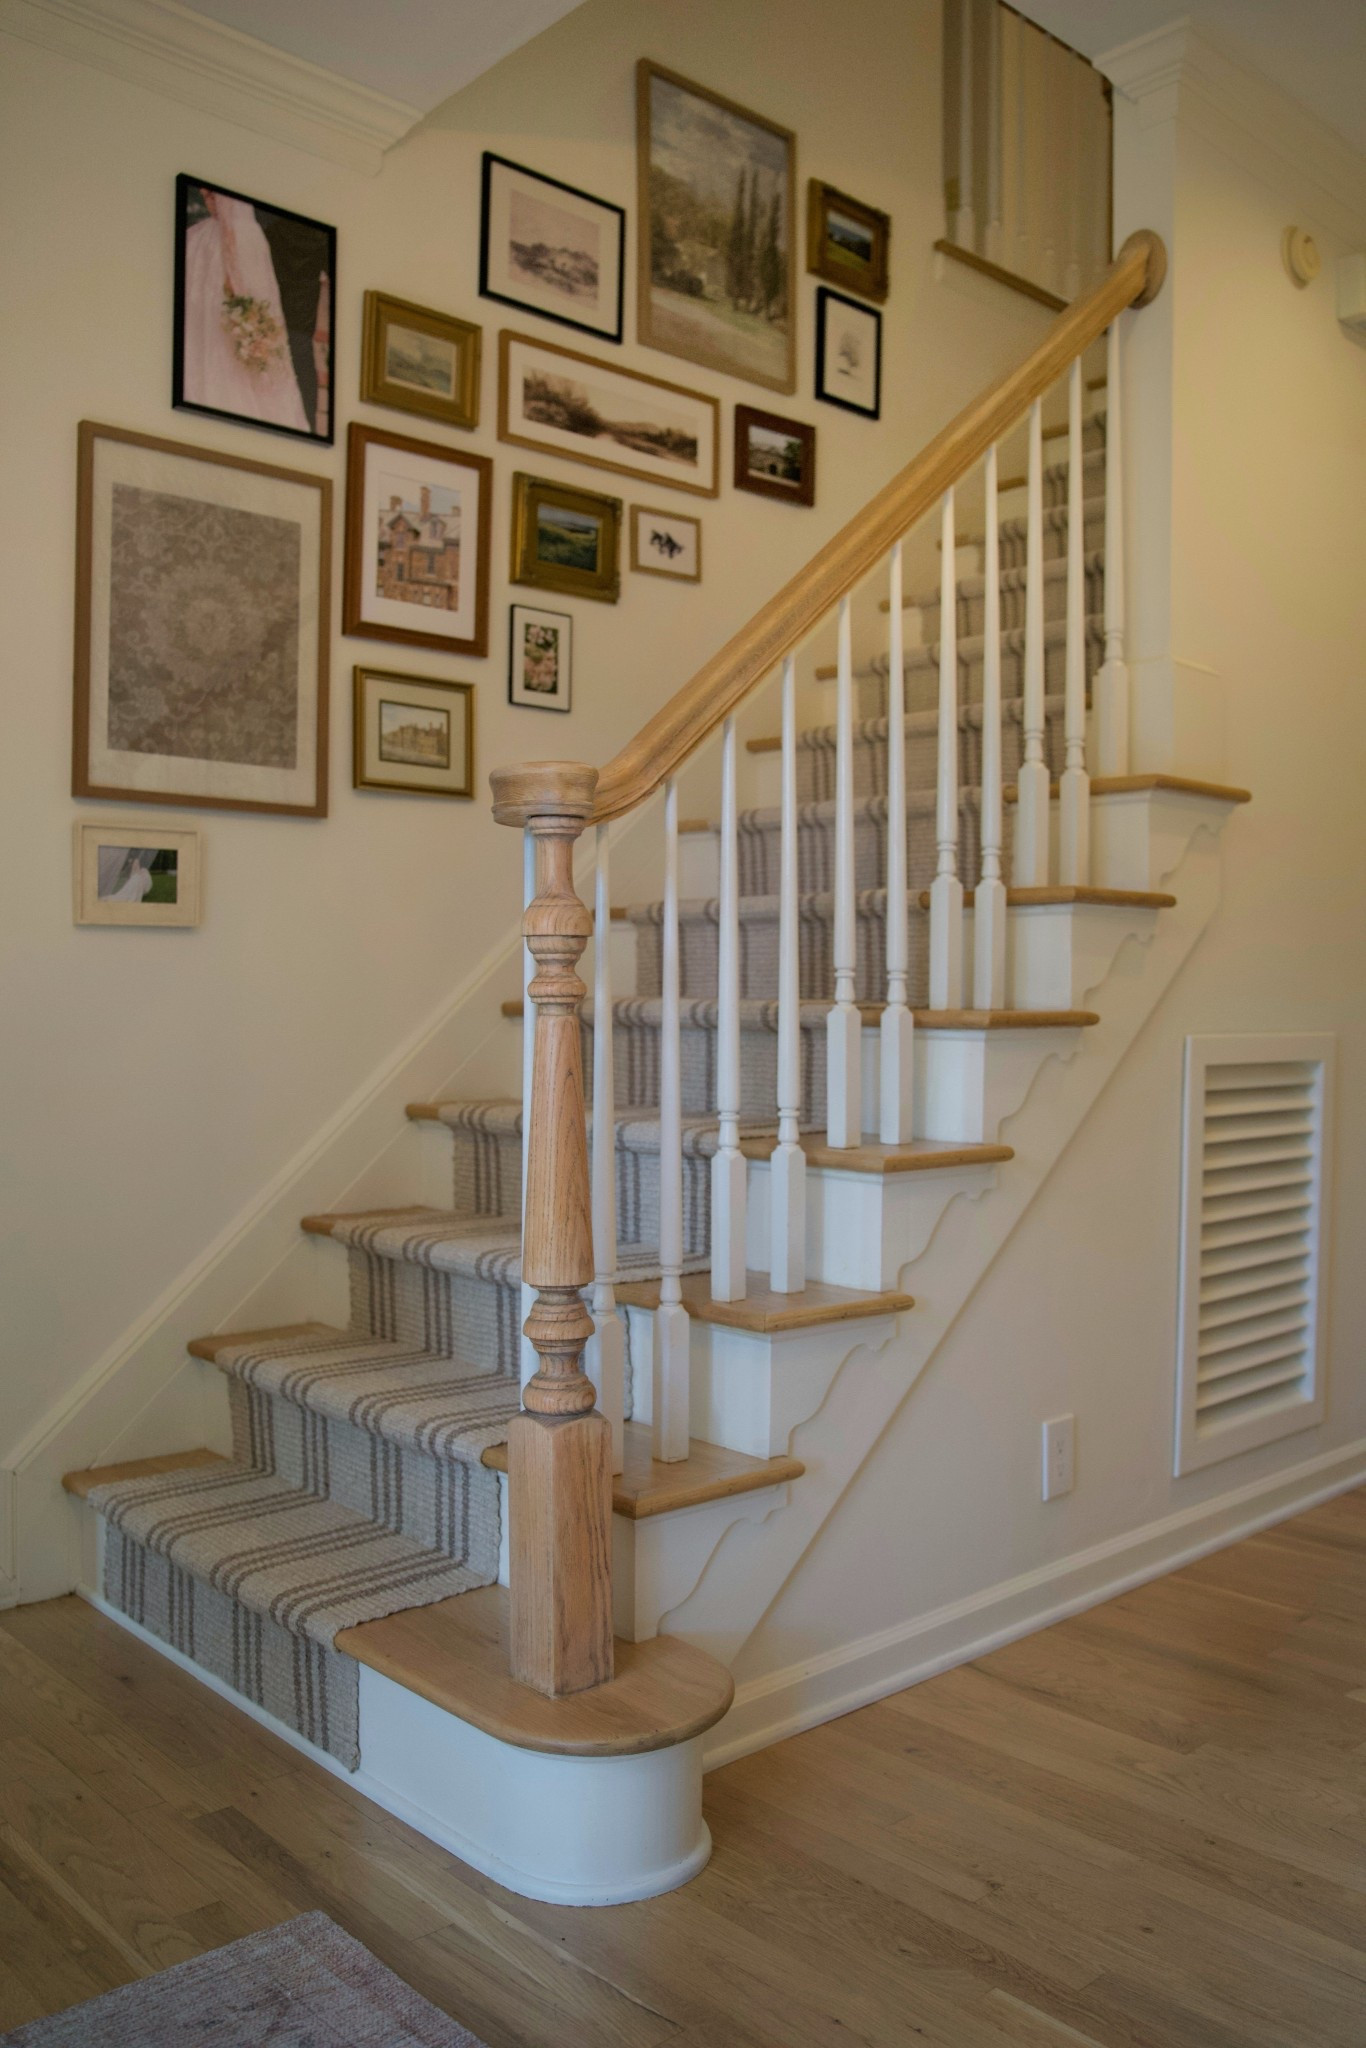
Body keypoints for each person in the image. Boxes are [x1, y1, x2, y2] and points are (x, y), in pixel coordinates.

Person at [182, 188, 310, 433]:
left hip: (241, 258)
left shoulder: (243, 230)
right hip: (231, 253)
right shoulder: (204, 235)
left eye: (210, 196)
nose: (207, 199)